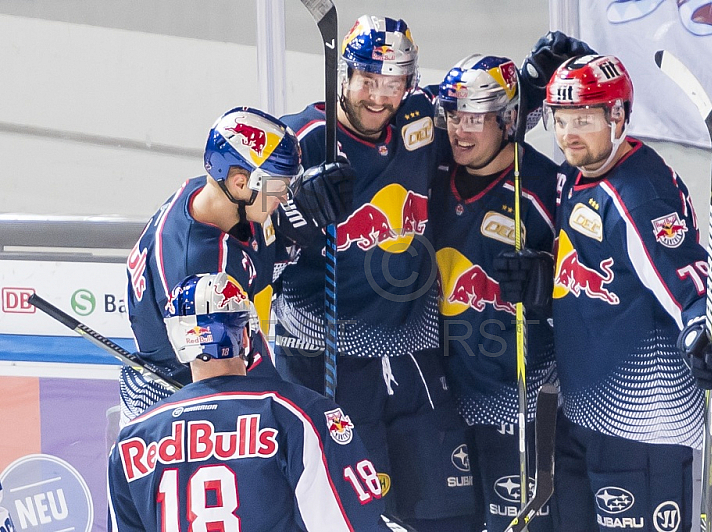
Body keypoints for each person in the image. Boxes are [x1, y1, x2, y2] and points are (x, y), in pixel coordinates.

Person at [272, 15, 476, 531]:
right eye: (368, 80)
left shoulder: (420, 115)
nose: (380, 97)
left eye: (394, 83)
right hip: (324, 354)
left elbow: (487, 124)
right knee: (350, 513)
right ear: (344, 75)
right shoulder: (299, 140)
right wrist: (295, 204)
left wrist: (537, 88)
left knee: (446, 511)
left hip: (411, 348)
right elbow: (247, 227)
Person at [540, 55, 712, 531]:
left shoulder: (638, 195)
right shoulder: (579, 174)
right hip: (585, 413)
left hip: (644, 425)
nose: (569, 133)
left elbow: (695, 282)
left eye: (584, 120)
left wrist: (705, 330)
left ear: (618, 118)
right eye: (561, 120)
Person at [108, 272, 391, 531]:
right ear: (245, 334)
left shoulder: (132, 439)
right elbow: (345, 523)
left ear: (176, 338)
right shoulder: (301, 414)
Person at [123, 106, 353, 424]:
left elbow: (253, 256)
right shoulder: (206, 272)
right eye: (277, 186)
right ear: (240, 183)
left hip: (197, 378)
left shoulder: (209, 198)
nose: (285, 196)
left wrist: (300, 221)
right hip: (182, 411)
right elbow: (237, 383)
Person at [429, 53, 560, 532]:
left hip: (520, 402)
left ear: (508, 121)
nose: (459, 131)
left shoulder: (549, 188)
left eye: (475, 119)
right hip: (441, 401)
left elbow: (601, 280)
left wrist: (552, 284)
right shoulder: (433, 174)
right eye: (453, 116)